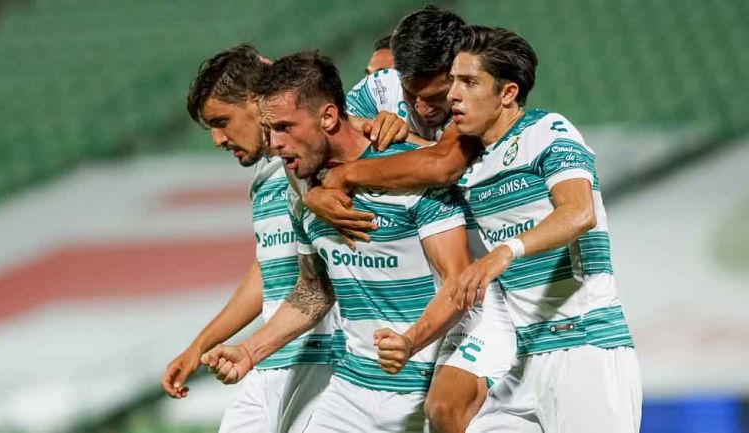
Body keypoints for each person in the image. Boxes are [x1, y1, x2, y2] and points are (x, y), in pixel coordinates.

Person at [323, 24, 644, 432]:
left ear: (507, 93)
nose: (453, 94)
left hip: (583, 344)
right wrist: (322, 189)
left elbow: (579, 213)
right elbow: (422, 160)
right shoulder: (471, 164)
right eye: (453, 80)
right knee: (445, 414)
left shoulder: (546, 132)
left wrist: (502, 254)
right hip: (518, 358)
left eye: (469, 82)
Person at [201, 51, 475, 433]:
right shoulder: (304, 193)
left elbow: (459, 283)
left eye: (284, 128)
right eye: (268, 131)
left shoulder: (410, 177)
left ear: (327, 117)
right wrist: (250, 350)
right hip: (354, 389)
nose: (275, 145)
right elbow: (314, 290)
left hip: (426, 384)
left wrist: (410, 341)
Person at [161, 44, 405, 432]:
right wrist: (201, 344)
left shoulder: (322, 157)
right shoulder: (267, 177)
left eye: (221, 121)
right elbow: (271, 269)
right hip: (271, 354)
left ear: (256, 102)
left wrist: (381, 124)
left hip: (328, 354)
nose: (217, 139)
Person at [314, 6, 517, 432]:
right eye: (412, 96)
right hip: (426, 289)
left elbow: (443, 165)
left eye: (436, 96)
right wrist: (315, 192)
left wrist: (351, 172)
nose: (424, 109)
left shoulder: (481, 97)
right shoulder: (377, 89)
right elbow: (323, 144)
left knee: (449, 409)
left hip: (494, 285)